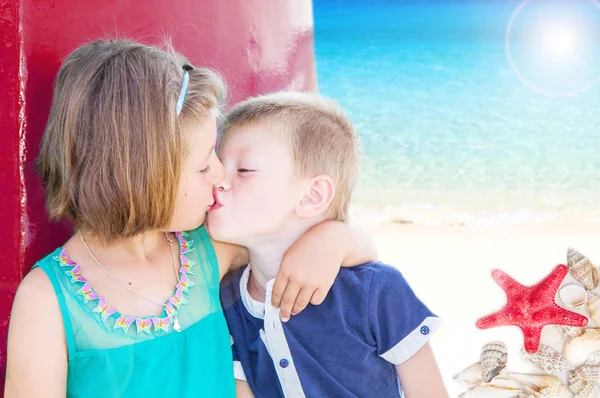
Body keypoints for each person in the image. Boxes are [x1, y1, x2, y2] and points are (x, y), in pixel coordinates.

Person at [4, 40, 377, 398]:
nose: (220, 175)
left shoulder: (211, 248)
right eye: (203, 166)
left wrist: (331, 240)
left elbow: (360, 248)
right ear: (141, 177)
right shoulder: (47, 300)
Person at [210, 92, 448, 397]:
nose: (219, 179)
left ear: (312, 196)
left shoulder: (375, 291)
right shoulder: (227, 299)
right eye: (217, 164)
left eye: (243, 170)